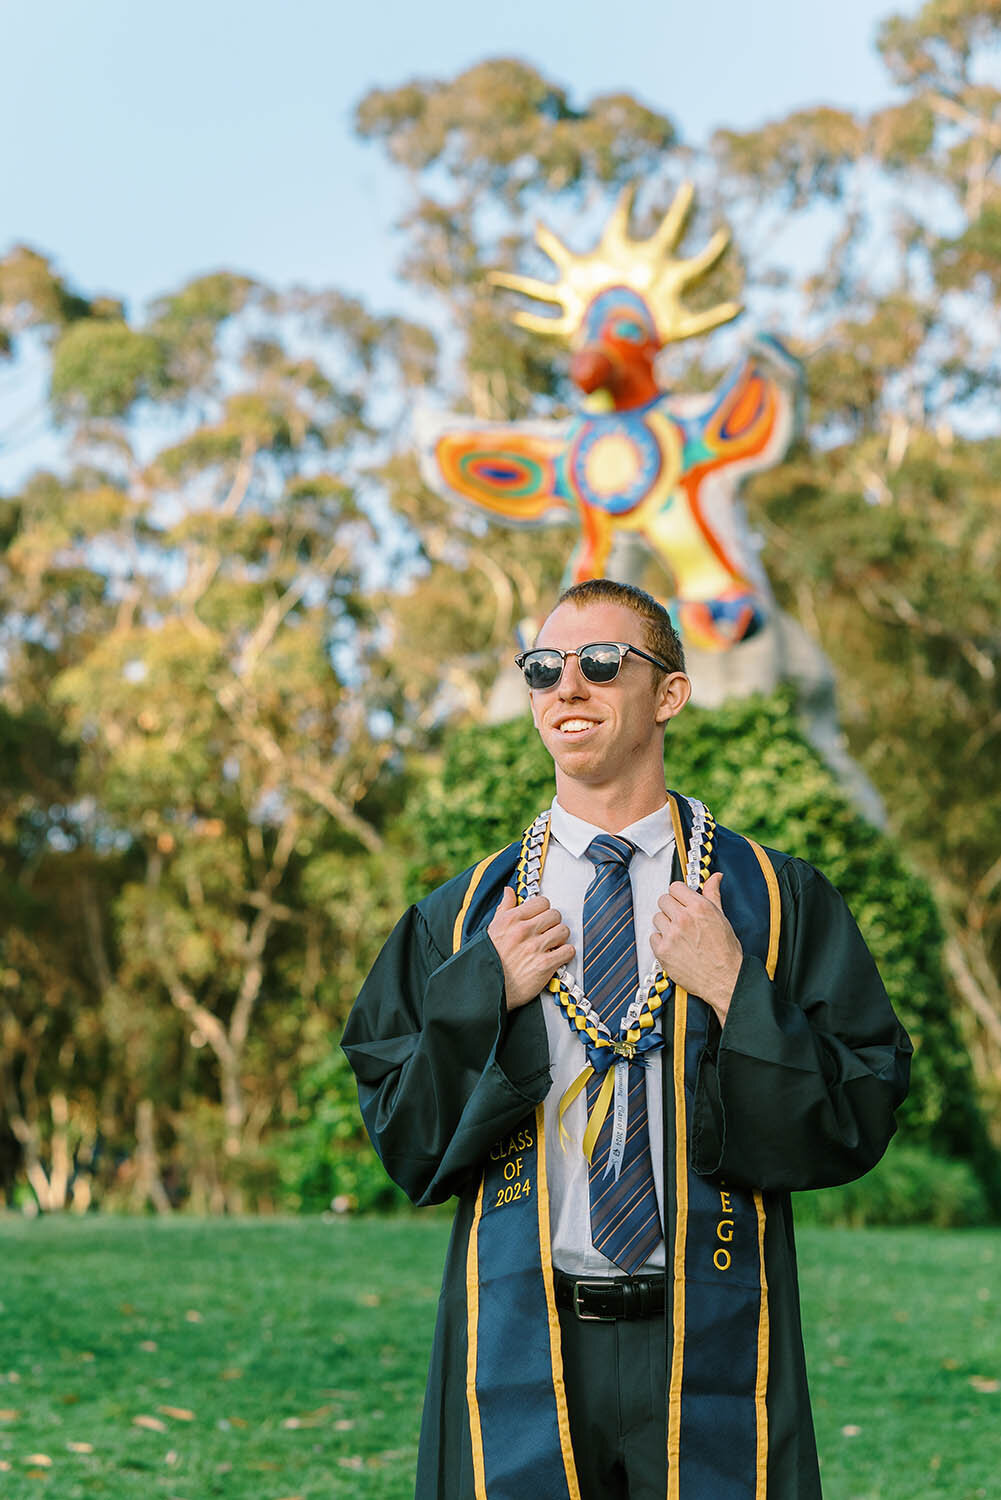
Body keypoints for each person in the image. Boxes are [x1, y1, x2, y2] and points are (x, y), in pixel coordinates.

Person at [342, 578, 911, 1500]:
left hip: (712, 1328)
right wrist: (481, 990)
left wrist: (734, 987)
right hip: (523, 1329)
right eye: (543, 669)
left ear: (669, 694)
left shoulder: (770, 897)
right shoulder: (464, 918)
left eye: (601, 664)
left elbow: (862, 1106)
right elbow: (403, 1138)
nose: (567, 688)